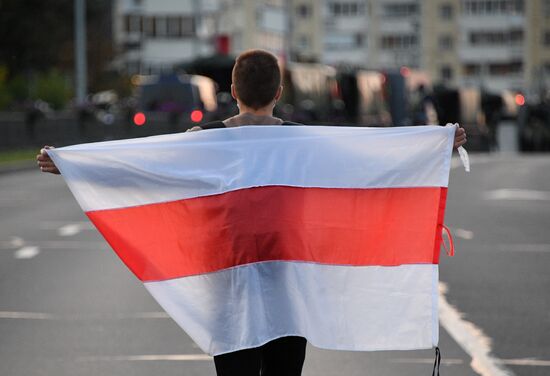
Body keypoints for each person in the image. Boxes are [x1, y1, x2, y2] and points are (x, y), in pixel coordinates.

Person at [37, 49, 467, 375]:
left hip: (226, 280)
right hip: (287, 281)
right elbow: (370, 163)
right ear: (279, 93)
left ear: (234, 92)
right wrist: (436, 146)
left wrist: (72, 164)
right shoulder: (304, 142)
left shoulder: (202, 141)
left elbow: (144, 168)